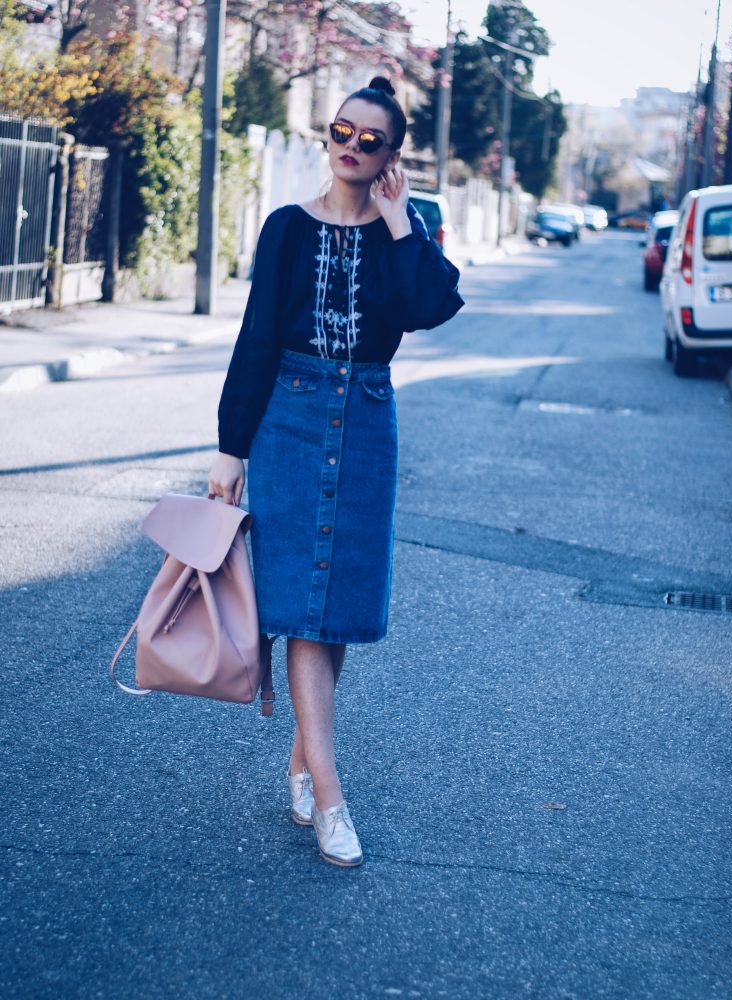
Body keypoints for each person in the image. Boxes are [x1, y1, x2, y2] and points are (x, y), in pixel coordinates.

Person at [208, 76, 464, 868]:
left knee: (338, 601)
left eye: (369, 141)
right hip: (287, 417)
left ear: (392, 156)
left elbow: (433, 306)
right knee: (306, 609)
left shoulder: (405, 233)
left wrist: (398, 220)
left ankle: (300, 758)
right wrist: (230, 449)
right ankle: (328, 792)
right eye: (340, 132)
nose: (350, 148)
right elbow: (255, 339)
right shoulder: (287, 229)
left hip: (365, 420)